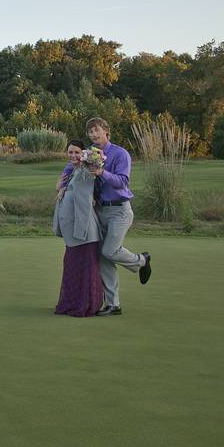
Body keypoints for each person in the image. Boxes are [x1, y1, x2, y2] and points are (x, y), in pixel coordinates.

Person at [59, 117, 152, 316]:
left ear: (106, 132)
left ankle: (141, 261)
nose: (93, 135)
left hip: (119, 210)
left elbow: (122, 182)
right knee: (103, 258)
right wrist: (63, 184)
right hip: (99, 211)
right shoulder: (87, 154)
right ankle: (113, 304)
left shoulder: (120, 154)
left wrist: (101, 172)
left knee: (110, 251)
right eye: (90, 132)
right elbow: (71, 166)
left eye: (96, 130)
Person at [53, 140, 104, 317]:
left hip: (83, 232)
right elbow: (65, 186)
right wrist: (62, 187)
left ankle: (85, 305)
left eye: (77, 152)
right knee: (72, 267)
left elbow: (84, 202)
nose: (73, 155)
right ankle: (71, 303)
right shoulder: (73, 169)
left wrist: (80, 232)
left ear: (83, 153)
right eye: (70, 152)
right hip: (74, 234)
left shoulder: (85, 171)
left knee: (85, 270)